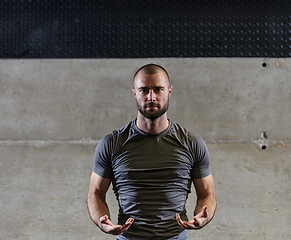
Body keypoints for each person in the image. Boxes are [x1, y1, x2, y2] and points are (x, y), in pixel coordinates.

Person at [87, 63, 217, 240]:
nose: (151, 97)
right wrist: (102, 221)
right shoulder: (112, 143)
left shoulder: (191, 143)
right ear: (135, 93)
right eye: (143, 90)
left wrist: (204, 216)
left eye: (158, 89)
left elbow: (207, 193)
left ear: (169, 91)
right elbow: (95, 193)